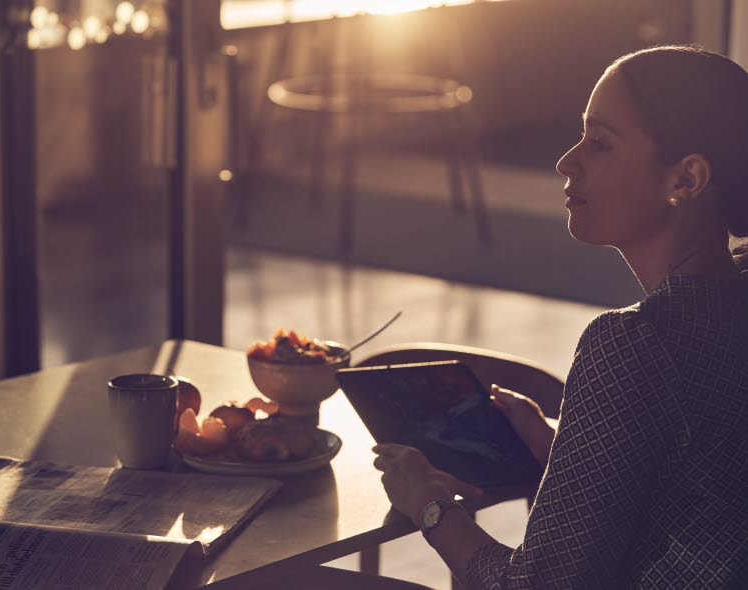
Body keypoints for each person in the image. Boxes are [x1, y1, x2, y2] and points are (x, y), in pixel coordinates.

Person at [259, 44, 748, 590]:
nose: (568, 161)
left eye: (601, 143)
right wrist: (554, 452)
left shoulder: (636, 345)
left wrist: (430, 506)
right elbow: (692, 499)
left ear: (687, 179)